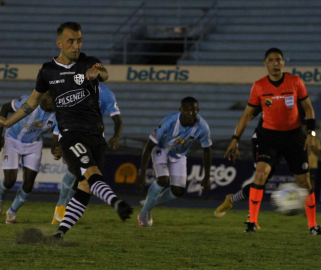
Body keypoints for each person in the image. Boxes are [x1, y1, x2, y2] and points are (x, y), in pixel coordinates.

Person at [0, 22, 133, 239]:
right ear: (59, 43)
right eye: (71, 41)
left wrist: (97, 72)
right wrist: (9, 122)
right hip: (71, 134)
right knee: (91, 173)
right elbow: (33, 100)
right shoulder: (48, 71)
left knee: (86, 186)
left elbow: (104, 74)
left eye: (79, 40)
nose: (76, 45)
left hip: (96, 134)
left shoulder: (88, 62)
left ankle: (59, 233)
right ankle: (117, 202)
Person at [224, 48, 320, 234]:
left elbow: (309, 109)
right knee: (261, 174)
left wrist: (311, 134)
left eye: (278, 60)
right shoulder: (259, 86)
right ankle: (252, 222)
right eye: (271, 60)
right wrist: (234, 138)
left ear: (283, 63)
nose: (275, 63)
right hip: (269, 137)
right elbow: (247, 115)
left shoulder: (295, 82)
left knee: (305, 182)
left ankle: (313, 226)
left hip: (294, 136)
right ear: (265, 64)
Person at [50, 82, 123, 224]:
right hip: (71, 133)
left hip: (94, 137)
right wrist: (56, 145)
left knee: (85, 177)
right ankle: (60, 206)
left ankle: (69, 208)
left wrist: (116, 136)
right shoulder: (71, 89)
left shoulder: (106, 93)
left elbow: (117, 119)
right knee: (73, 168)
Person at [135, 97, 212, 227]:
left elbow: (207, 150)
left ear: (197, 110)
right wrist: (142, 173)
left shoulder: (202, 126)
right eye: (186, 110)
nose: (190, 113)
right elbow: (148, 147)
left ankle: (149, 203)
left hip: (179, 155)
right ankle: (144, 213)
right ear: (180, 110)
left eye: (193, 110)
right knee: (162, 180)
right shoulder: (169, 121)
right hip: (161, 150)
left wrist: (207, 177)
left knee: (178, 191)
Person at [0, 92, 56, 224]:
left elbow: (57, 135)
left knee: (28, 184)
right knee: (10, 181)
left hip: (34, 145)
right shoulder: (27, 101)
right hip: (13, 140)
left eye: (54, 99)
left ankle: (12, 212)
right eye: (49, 97)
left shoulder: (57, 115)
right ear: (43, 95)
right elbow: (4, 108)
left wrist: (57, 149)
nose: (51, 101)